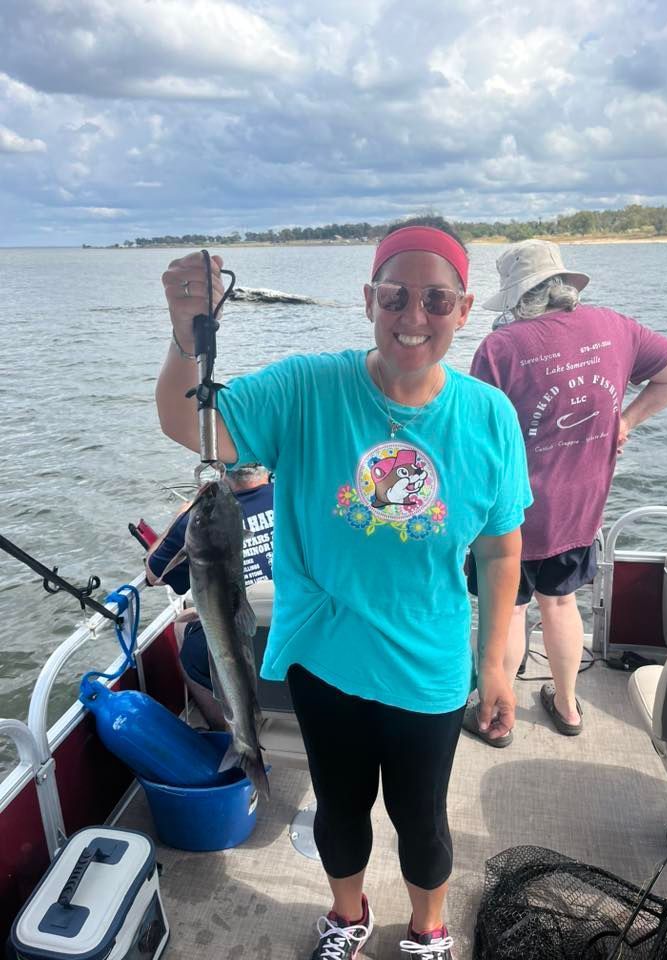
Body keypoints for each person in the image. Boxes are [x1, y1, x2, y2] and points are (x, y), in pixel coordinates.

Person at [155, 217, 533, 960]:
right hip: (324, 659)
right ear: (368, 299)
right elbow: (186, 424)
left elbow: (499, 548)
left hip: (428, 666)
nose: (412, 319)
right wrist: (183, 333)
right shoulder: (305, 387)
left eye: (434, 300)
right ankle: (347, 914)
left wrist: (493, 663)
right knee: (340, 809)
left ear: (463, 309)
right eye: (395, 297)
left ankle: (429, 927)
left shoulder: (489, 415)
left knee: (422, 818)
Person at [466, 238, 667, 744]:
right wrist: (626, 421)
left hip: (513, 515)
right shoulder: (616, 327)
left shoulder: (499, 348)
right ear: (564, 287)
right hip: (581, 510)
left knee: (509, 611)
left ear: (517, 297)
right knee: (562, 604)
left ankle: (497, 713)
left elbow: (475, 438)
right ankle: (569, 707)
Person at [145, 463, 274, 730]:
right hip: (295, 639)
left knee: (182, 626)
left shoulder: (199, 520)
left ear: (222, 467)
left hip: (237, 643)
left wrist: (182, 516)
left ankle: (226, 731)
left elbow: (153, 575)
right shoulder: (291, 502)